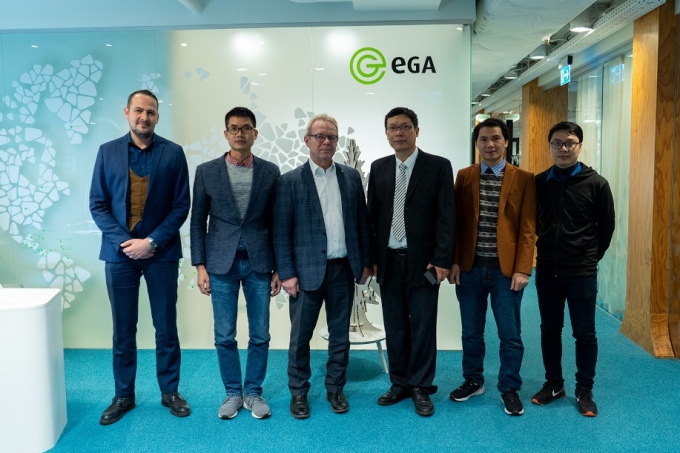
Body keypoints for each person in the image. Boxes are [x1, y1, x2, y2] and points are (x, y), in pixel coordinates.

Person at [89, 89, 191, 425]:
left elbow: (181, 205)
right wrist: (125, 243)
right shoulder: (107, 152)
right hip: (119, 256)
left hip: (161, 254)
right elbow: (98, 205)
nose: (144, 117)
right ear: (127, 112)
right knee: (123, 329)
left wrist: (151, 241)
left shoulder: (173, 153)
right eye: (138, 111)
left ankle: (170, 391)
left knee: (166, 326)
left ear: (157, 116)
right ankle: (123, 395)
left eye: (150, 112)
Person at [273, 113, 371, 419]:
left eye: (331, 137)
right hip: (304, 275)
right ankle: (298, 392)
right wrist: (287, 273)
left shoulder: (350, 177)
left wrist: (364, 262)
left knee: (340, 336)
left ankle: (335, 388)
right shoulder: (289, 181)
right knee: (300, 338)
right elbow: (281, 232)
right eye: (320, 136)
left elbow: (362, 223)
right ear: (307, 141)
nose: (326, 141)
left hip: (343, 270)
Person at [190, 107, 281, 420]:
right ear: (226, 133)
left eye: (246, 128)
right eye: (234, 128)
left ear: (255, 133)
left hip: (259, 263)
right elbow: (197, 221)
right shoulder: (206, 171)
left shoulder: (270, 172)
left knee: (260, 334)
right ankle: (232, 393)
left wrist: (279, 268)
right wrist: (200, 266)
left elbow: (277, 222)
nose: (240, 133)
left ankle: (253, 392)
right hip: (220, 264)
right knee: (224, 335)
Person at [367, 107, 455, 417]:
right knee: (395, 325)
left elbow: (447, 216)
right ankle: (400, 382)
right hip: (388, 262)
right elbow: (372, 218)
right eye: (393, 128)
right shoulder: (378, 167)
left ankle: (420, 385)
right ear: (386, 133)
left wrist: (442, 259)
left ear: (417, 131)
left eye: (405, 127)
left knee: (422, 325)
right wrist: (372, 259)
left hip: (424, 264)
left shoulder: (438, 166)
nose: (399, 133)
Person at [447, 118, 536, 416]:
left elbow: (528, 228)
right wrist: (455, 261)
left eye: (496, 138)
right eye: (483, 139)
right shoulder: (465, 176)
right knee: (471, 332)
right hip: (469, 269)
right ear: (476, 144)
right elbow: (457, 223)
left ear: (506, 141)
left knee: (510, 334)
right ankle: (473, 380)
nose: (490, 145)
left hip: (505, 271)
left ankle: (509, 387)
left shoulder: (523, 178)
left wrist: (523, 268)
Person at [532, 121, 615, 417]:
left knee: (585, 333)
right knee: (550, 329)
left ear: (579, 146)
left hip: (581, 271)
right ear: (550, 146)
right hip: (547, 270)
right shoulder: (539, 183)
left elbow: (606, 227)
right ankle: (554, 384)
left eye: (569, 143)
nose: (563, 148)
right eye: (557, 143)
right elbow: (532, 223)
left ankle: (584, 390)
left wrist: (589, 256)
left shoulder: (597, 184)